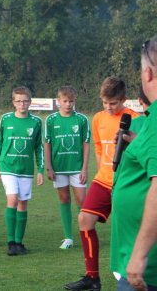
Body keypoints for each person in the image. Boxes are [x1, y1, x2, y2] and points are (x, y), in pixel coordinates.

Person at [65, 77, 139, 290]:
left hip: (125, 182)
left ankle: (131, 273)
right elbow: (98, 148)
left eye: (113, 103)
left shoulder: (134, 120)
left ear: (124, 99)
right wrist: (101, 172)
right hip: (103, 180)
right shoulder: (98, 118)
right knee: (84, 219)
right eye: (104, 102)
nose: (108, 107)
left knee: (127, 230)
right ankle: (92, 278)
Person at [110, 37, 157, 291]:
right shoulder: (151, 121)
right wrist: (140, 143)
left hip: (148, 269)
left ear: (147, 73)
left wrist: (139, 254)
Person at [0, 86, 44, 256]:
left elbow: (38, 147)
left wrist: (41, 169)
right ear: (13, 102)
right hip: (8, 166)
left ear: (30, 102)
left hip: (26, 169)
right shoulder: (6, 119)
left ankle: (19, 242)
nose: (22, 104)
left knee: (23, 203)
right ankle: (10, 242)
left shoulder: (36, 122)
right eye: (19, 101)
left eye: (25, 101)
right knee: (13, 199)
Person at [44, 86, 91, 250]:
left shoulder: (82, 119)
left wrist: (84, 168)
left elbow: (86, 144)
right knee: (64, 199)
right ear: (58, 101)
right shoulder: (51, 120)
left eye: (71, 101)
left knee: (82, 201)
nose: (68, 104)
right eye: (65, 101)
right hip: (59, 168)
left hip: (77, 167)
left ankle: (86, 234)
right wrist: (49, 167)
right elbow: (47, 144)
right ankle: (68, 238)